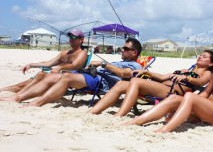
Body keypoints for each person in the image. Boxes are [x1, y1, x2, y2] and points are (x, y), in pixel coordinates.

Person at [123, 33, 213, 133]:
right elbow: (206, 92)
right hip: (207, 107)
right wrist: (187, 102)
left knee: (189, 96)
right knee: (174, 98)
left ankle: (164, 130)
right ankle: (134, 122)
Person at [0, 38, 142, 107]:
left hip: (99, 82)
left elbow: (124, 74)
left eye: (125, 48)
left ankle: (37, 102)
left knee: (67, 77)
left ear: (134, 52)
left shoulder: (135, 65)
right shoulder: (121, 60)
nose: (122, 50)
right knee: (51, 75)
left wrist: (103, 63)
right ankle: (18, 97)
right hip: (92, 75)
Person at [88, 50, 213, 116]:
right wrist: (149, 73)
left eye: (204, 56)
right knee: (121, 84)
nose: (200, 56)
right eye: (200, 55)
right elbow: (162, 77)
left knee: (135, 81)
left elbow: (201, 82)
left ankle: (120, 114)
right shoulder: (186, 69)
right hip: (162, 86)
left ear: (211, 63)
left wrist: (186, 78)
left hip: (171, 92)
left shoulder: (206, 73)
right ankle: (94, 111)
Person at [0, 29, 87, 93]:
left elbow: (74, 66)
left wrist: (59, 67)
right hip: (53, 74)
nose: (71, 38)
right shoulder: (64, 53)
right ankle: (3, 91)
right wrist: (32, 64)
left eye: (74, 37)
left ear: (81, 40)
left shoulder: (82, 53)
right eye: (70, 36)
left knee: (27, 83)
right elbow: (49, 63)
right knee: (24, 84)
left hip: (63, 78)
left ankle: (15, 94)